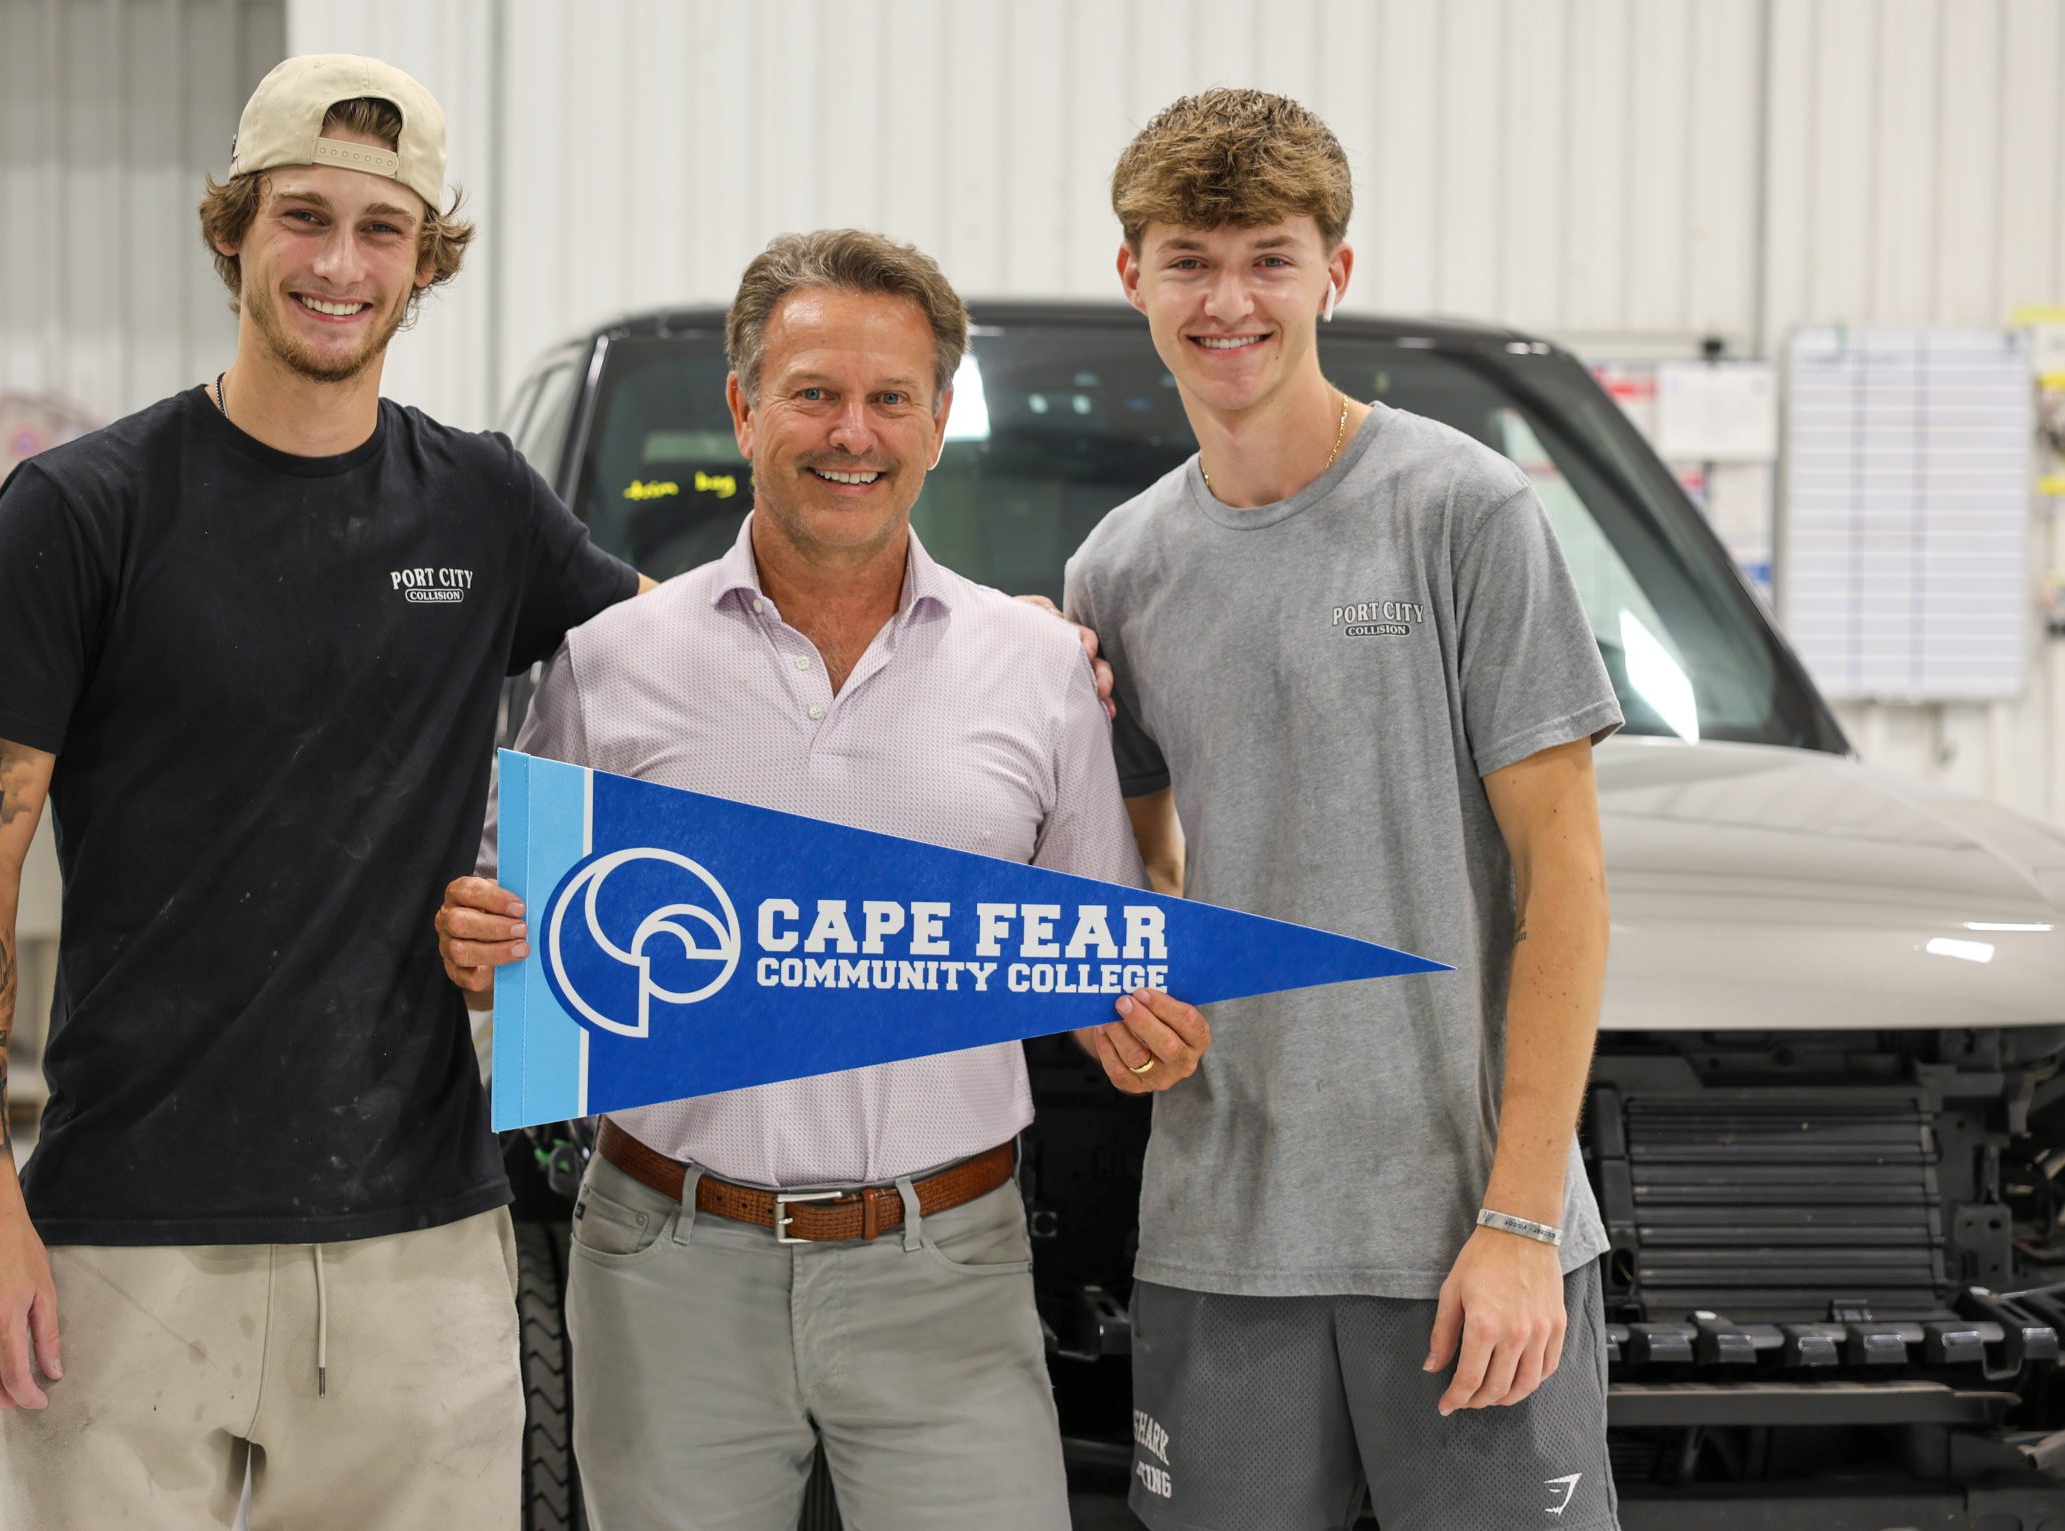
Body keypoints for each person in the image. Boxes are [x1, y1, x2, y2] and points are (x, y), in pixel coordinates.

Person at [0, 53, 640, 1529]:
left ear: (427, 262)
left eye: (384, 231)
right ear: (234, 226)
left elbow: (701, 682)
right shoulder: (82, 509)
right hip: (126, 1235)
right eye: (303, 217)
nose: (338, 264)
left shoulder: (483, 504)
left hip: (419, 1238)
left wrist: (1014, 651)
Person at [436, 228, 1210, 1531]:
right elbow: (523, 936)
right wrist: (478, 935)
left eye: (888, 399)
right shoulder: (612, 664)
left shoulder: (1035, 673)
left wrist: (1146, 1029)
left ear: (937, 420)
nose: (852, 433)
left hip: (949, 1269)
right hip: (665, 1265)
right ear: (745, 409)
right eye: (814, 394)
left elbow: (1105, 959)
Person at [1064, 88, 1624, 1530]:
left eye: (1268, 255)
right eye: (1190, 257)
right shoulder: (1116, 572)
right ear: (1133, 275)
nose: (1228, 298)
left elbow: (1564, 879)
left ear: (1336, 273)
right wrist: (1124, 1006)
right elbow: (1140, 881)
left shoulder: (1465, 514)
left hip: (1465, 1243)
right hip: (1220, 1242)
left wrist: (1516, 1223)